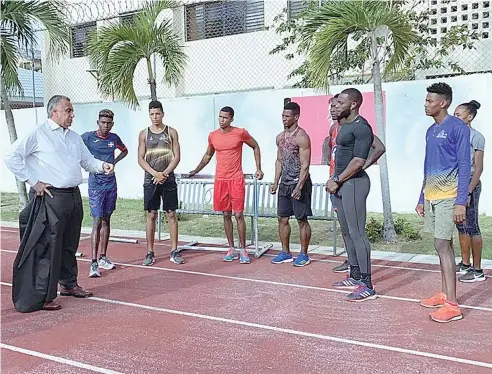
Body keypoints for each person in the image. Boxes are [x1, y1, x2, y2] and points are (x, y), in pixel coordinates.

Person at [5, 95, 114, 312]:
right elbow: (11, 157)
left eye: (72, 111)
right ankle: (44, 294)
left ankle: (69, 284)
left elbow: (87, 161)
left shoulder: (74, 138)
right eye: (68, 110)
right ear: (54, 112)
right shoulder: (38, 133)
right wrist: (33, 182)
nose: (72, 115)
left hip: (72, 196)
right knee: (49, 247)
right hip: (50, 196)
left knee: (69, 243)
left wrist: (102, 166)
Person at [416, 82, 470, 323]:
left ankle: (453, 305)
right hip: (432, 196)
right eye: (426, 100)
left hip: (449, 196)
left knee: (442, 245)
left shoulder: (458, 128)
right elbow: (428, 166)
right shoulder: (430, 130)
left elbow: (465, 165)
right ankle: (444, 293)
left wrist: (461, 202)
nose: (426, 104)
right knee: (440, 246)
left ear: (443, 103)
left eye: (430, 101)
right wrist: (421, 196)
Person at [325, 88, 383, 302]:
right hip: (341, 184)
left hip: (354, 184)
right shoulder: (343, 126)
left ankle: (367, 285)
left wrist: (338, 180)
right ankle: (355, 273)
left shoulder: (362, 127)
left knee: (357, 232)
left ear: (353, 104)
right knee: (347, 231)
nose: (335, 106)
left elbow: (358, 161)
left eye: (340, 102)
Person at [189, 106, 264, 264]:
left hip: (236, 179)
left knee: (238, 215)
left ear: (231, 119)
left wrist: (259, 168)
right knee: (226, 215)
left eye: (225, 117)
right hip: (221, 180)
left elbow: (255, 146)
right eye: (220, 117)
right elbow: (208, 155)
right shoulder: (213, 136)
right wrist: (195, 170)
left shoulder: (240, 133)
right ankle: (231, 248)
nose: (221, 120)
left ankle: (243, 250)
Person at [81, 109, 128, 277]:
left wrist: (114, 161)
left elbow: (125, 150)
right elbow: (75, 150)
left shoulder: (114, 139)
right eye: (103, 122)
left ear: (112, 124)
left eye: (108, 123)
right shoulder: (87, 137)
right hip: (95, 185)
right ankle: (93, 263)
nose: (105, 126)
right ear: (98, 122)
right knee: (97, 221)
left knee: (107, 219)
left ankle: (103, 257)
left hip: (111, 184)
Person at [138, 100, 183, 266]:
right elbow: (140, 159)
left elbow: (176, 156)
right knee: (151, 214)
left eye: (157, 114)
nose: (155, 117)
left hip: (168, 178)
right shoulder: (144, 134)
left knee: (171, 214)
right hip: (151, 179)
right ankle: (150, 252)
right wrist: (154, 174)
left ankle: (174, 250)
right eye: (152, 114)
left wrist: (164, 174)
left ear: (162, 114)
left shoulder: (171, 132)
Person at [270, 102, 313, 267]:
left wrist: (299, 186)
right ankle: (285, 252)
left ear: (296, 117)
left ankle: (303, 254)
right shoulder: (280, 137)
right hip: (284, 184)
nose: (284, 119)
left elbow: (305, 165)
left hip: (298, 183)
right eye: (282, 116)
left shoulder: (301, 137)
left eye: (287, 116)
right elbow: (279, 160)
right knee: (282, 218)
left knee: (301, 219)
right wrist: (275, 182)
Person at [453, 100, 485, 283]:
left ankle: (478, 270)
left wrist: (468, 191)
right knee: (460, 224)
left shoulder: (476, 137)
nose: (455, 118)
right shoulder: (454, 136)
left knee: (472, 225)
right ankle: (465, 264)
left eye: (459, 115)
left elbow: (478, 168)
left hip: (470, 185)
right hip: (455, 185)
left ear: (470, 117)